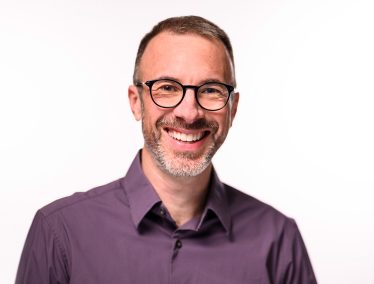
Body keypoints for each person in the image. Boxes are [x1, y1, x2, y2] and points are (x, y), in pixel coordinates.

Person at [16, 16, 317, 283]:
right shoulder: (60, 233)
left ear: (232, 108)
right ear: (136, 101)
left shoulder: (279, 240)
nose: (189, 112)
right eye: (168, 88)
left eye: (211, 90)